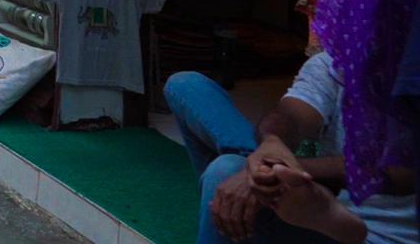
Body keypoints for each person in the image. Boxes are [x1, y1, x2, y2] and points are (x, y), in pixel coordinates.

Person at [164, 51, 416, 244]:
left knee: (227, 169)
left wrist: (272, 170)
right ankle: (251, 168)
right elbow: (291, 117)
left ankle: (248, 172)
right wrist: (272, 144)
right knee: (185, 85)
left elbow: (398, 171)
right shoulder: (336, 60)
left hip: (372, 231)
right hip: (322, 212)